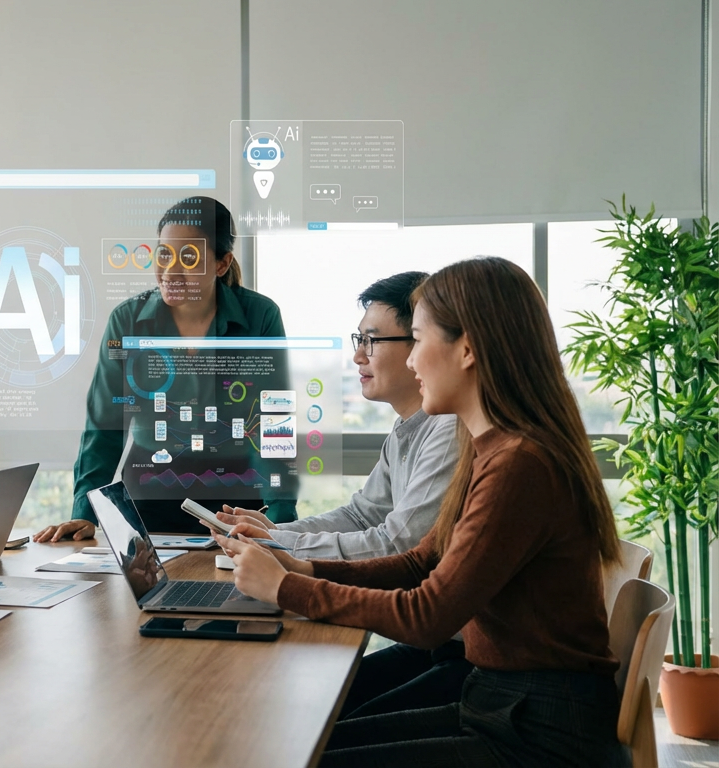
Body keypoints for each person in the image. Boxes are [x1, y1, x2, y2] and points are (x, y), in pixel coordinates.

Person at [217, 257, 626, 767]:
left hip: (540, 733)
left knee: (303, 752)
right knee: (304, 744)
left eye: (420, 338)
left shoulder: (520, 465)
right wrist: (303, 567)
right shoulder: (492, 448)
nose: (411, 362)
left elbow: (428, 616)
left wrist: (286, 588)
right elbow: (419, 561)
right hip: (500, 704)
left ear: (469, 349)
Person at [216, 271, 467, 719]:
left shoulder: (451, 432)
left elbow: (401, 545)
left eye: (371, 340)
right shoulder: (410, 428)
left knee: (312, 719)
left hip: (461, 659)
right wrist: (279, 534)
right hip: (439, 647)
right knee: (312, 709)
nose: (357, 356)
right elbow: (362, 513)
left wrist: (287, 564)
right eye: (358, 339)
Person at [34, 196, 288, 542]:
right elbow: (104, 427)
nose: (170, 271)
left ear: (222, 263)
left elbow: (272, 425)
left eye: (189, 258)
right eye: (164, 254)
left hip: (236, 510)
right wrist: (86, 512)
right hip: (147, 506)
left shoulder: (260, 318)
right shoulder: (128, 321)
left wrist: (282, 519)